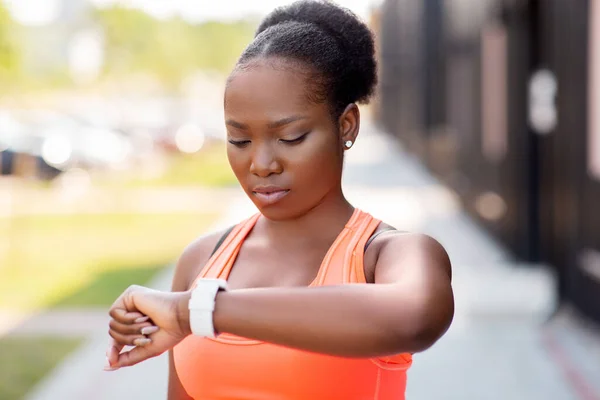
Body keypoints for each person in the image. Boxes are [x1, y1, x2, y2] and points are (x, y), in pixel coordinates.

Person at [104, 1, 454, 399]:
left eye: (290, 138)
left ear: (346, 125)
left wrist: (193, 313)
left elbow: (413, 318)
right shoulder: (202, 260)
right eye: (239, 140)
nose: (261, 164)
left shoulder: (391, 255)